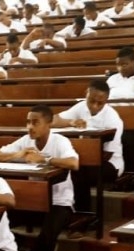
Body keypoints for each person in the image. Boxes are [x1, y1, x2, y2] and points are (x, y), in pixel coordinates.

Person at [0, 105, 79, 251]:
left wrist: (45, 159)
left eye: (35, 122)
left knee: (47, 235)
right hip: (33, 202)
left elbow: (73, 163)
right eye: (28, 122)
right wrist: (17, 154)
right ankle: (20, 246)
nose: (30, 127)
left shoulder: (60, 141)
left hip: (59, 203)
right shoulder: (26, 140)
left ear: (49, 123)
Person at [52, 80, 123, 211]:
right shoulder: (81, 107)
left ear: (106, 100)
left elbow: (108, 154)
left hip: (110, 164)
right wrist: (71, 122)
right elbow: (53, 120)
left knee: (77, 171)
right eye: (91, 101)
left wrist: (84, 154)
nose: (94, 106)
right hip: (83, 159)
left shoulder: (113, 119)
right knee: (67, 169)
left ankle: (83, 213)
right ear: (87, 93)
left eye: (100, 103)